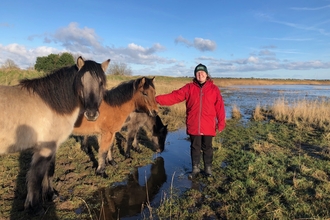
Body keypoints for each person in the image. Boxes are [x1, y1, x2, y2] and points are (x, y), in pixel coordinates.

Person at [155, 63, 226, 177]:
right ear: (195, 75)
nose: (200, 75)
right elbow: (175, 96)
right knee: (195, 147)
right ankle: (195, 169)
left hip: (208, 125)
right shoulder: (189, 88)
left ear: (207, 74)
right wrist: (157, 99)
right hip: (194, 124)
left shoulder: (214, 89)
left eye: (202, 72)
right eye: (198, 73)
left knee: (207, 147)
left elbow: (220, 107)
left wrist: (221, 123)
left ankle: (208, 170)